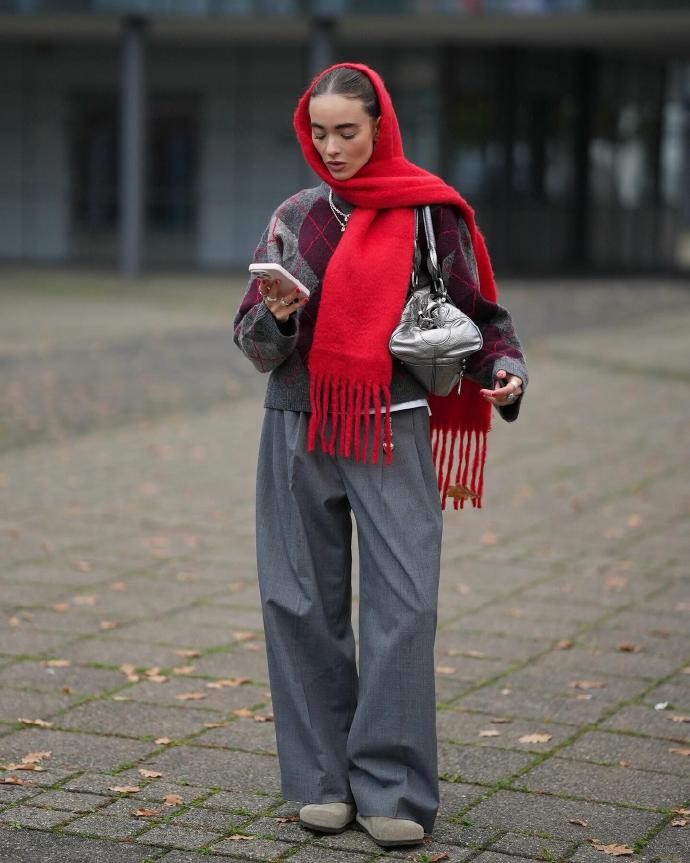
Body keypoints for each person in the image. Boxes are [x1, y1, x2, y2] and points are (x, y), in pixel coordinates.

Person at [233, 62, 528, 849]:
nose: (332, 147)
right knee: (298, 601)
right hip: (297, 425)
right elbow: (253, 343)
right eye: (319, 132)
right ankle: (320, 782)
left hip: (392, 423)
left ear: (380, 126)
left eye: (347, 131)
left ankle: (392, 787)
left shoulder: (430, 212)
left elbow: (478, 316)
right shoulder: (296, 216)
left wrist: (503, 370)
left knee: (406, 603)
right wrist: (278, 316)